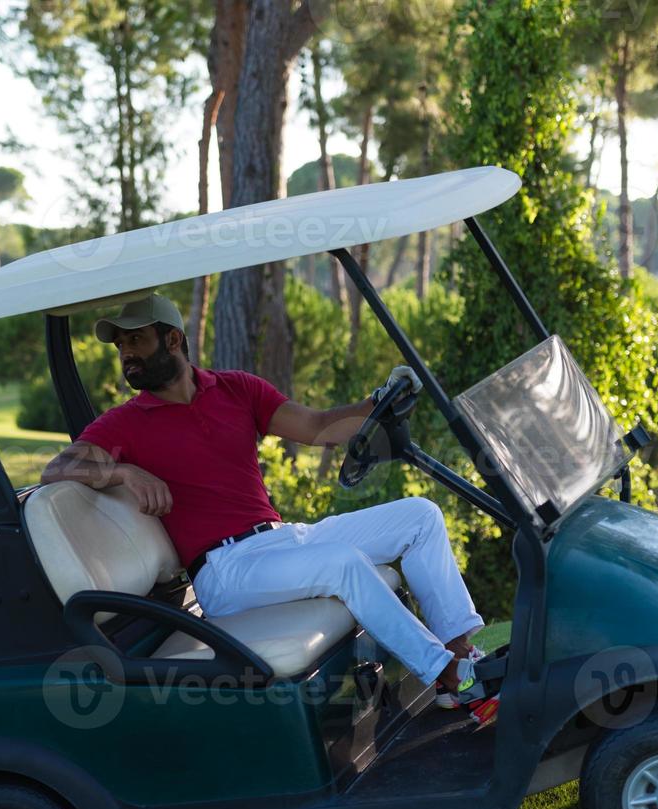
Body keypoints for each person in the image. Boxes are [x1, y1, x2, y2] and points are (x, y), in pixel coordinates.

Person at [39, 293, 496, 722]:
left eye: (136, 340)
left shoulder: (236, 389)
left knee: (419, 516)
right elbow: (57, 469)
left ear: (173, 339)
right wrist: (126, 473)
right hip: (224, 570)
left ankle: (457, 659)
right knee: (343, 563)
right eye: (121, 346)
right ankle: (448, 674)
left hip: (280, 538)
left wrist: (378, 401)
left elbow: (318, 426)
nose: (127, 355)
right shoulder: (126, 421)